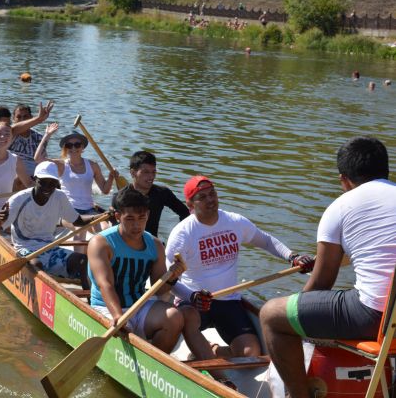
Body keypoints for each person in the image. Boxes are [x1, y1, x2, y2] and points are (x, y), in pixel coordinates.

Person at [259, 136, 396, 398]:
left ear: (344, 179)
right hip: (392, 315)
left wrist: (297, 314)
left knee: (270, 315)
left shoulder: (340, 207)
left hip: (374, 317)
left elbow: (322, 283)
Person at [165, 175, 313, 361]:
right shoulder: (182, 234)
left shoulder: (234, 222)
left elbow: (266, 241)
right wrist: (191, 296)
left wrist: (293, 257)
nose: (210, 199)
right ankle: (202, 355)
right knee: (187, 317)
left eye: (212, 194)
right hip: (195, 302)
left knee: (250, 353)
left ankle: (213, 351)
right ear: (190, 205)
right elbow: (169, 280)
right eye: (202, 197)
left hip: (228, 299)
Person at [88, 188, 186, 353]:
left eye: (142, 218)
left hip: (139, 305)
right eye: (130, 219)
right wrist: (118, 316)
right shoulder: (101, 243)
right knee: (127, 329)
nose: (137, 225)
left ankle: (155, 365)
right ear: (118, 217)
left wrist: (172, 276)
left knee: (175, 318)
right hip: (106, 307)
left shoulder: (155, 245)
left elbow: (159, 288)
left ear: (148, 214)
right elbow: (105, 284)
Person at [0, 161, 108, 290]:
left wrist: (102, 216)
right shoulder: (18, 200)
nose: (47, 187)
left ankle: (89, 300)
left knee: (83, 260)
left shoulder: (60, 197)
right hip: (24, 248)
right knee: (37, 265)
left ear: (57, 184)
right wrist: (0, 222)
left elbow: (78, 221)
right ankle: (40, 296)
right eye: (43, 182)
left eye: (52, 184)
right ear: (34, 180)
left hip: (49, 247)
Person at [34, 129, 117, 251]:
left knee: (105, 231)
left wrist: (111, 178)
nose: (73, 148)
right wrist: (47, 135)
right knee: (80, 228)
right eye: (69, 145)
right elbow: (38, 158)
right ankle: (78, 260)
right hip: (68, 210)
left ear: (82, 147)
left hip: (89, 210)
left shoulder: (93, 165)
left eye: (77, 145)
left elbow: (105, 190)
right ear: (65, 148)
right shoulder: (62, 165)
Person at [113, 151, 189, 237]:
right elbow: (115, 228)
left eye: (153, 172)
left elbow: (185, 213)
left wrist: (180, 236)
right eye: (146, 172)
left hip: (152, 243)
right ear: (133, 173)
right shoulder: (119, 198)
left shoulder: (162, 193)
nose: (151, 177)